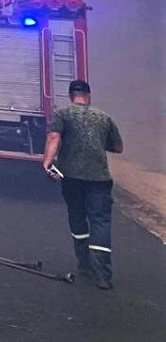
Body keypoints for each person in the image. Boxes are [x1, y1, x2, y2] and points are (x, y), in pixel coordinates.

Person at [42, 79, 124, 289]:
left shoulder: (62, 114)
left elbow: (54, 138)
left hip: (71, 178)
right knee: (100, 221)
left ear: (71, 95)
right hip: (100, 179)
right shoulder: (104, 118)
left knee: (77, 216)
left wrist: (47, 162)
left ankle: (84, 264)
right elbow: (117, 147)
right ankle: (104, 276)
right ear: (89, 96)